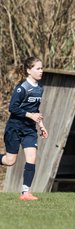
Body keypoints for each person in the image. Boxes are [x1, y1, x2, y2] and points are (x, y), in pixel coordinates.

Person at [0, 57, 48, 200]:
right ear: (28, 70)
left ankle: (25, 192)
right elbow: (12, 108)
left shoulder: (40, 88)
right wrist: (30, 115)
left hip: (29, 130)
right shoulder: (22, 88)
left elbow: (35, 109)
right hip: (14, 128)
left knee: (32, 158)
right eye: (38, 68)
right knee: (10, 161)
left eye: (41, 68)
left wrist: (41, 125)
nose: (41, 71)